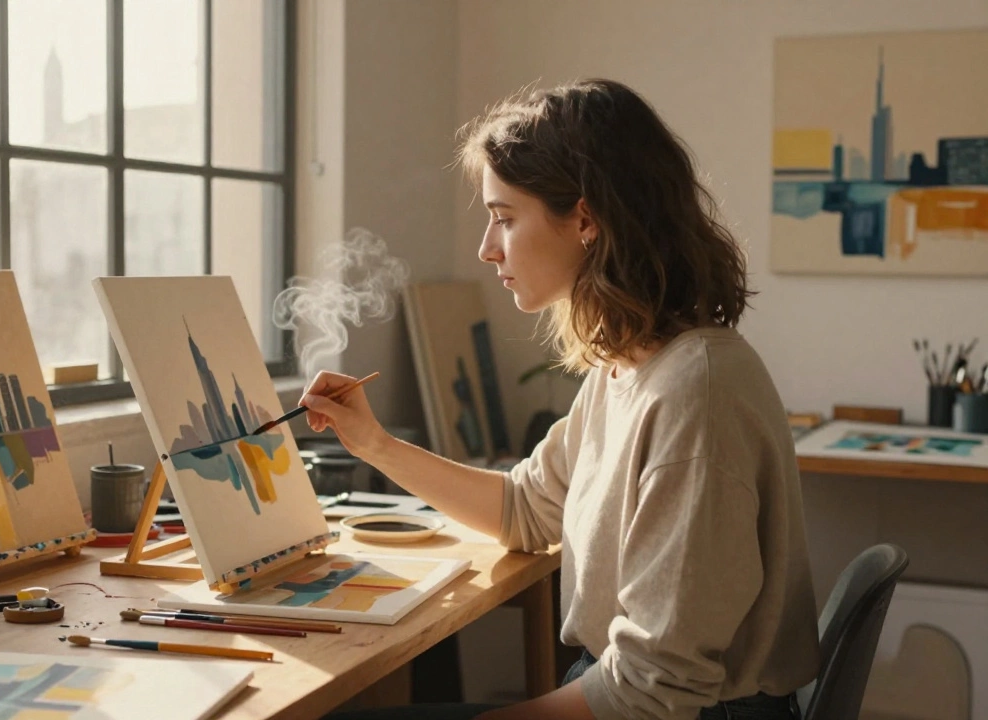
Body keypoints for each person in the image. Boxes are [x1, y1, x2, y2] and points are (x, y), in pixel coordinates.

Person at [306, 79, 820, 720]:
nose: (487, 248)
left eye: (504, 218)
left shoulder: (695, 395)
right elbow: (525, 509)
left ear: (585, 219)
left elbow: (655, 689)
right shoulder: (627, 366)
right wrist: (373, 444)